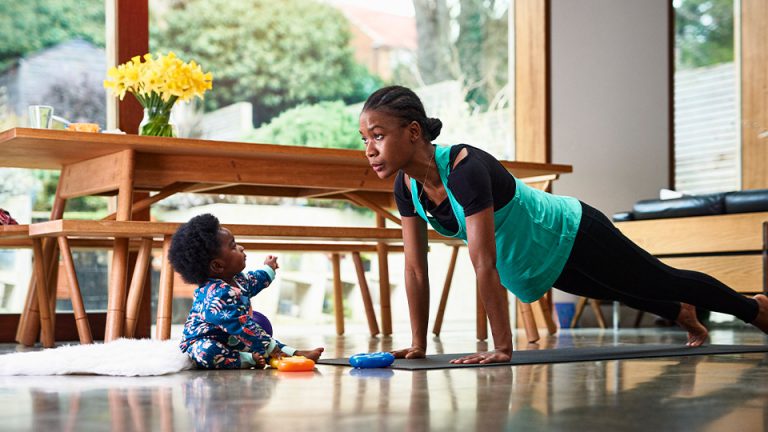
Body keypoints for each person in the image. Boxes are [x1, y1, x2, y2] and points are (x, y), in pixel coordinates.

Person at [358, 85, 768, 365]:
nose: (369, 149)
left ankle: (754, 309)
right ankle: (682, 311)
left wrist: (503, 348)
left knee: (659, 277)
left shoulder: (465, 168)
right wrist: (418, 343)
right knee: (618, 289)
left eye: (377, 135)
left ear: (413, 132)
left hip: (571, 230)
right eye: (364, 139)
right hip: (535, 255)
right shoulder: (406, 186)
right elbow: (415, 268)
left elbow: (484, 263)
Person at [169, 213, 324, 369]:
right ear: (217, 266)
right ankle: (245, 359)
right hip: (205, 342)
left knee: (256, 334)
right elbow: (241, 327)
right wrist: (271, 348)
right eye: (233, 246)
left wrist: (268, 268)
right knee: (207, 351)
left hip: (231, 339)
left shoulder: (238, 279)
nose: (241, 248)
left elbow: (255, 280)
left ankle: (293, 353)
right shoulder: (215, 295)